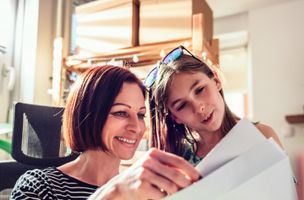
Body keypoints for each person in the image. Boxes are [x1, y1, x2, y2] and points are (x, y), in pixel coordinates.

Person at [11, 65, 200, 200]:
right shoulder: (39, 186)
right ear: (88, 115)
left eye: (141, 115)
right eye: (120, 112)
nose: (136, 127)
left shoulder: (143, 191)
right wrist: (112, 194)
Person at [145, 45, 283, 166]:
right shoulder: (178, 159)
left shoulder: (261, 135)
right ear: (175, 117)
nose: (199, 108)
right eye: (182, 105)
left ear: (216, 81)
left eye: (199, 90)